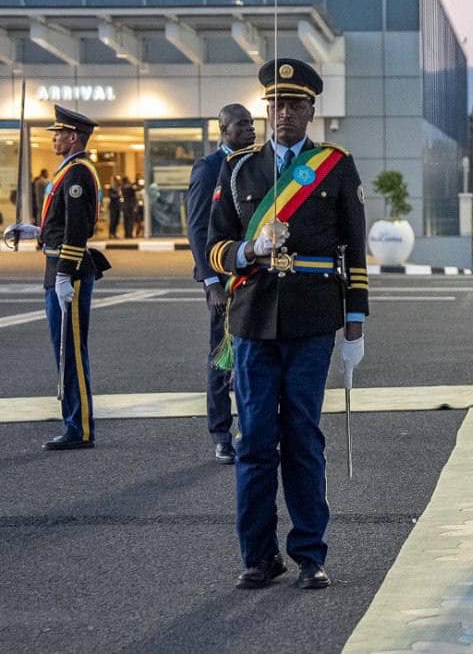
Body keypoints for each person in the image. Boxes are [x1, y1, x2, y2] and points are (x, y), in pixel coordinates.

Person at [207, 58, 368, 590]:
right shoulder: (239, 170)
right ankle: (258, 556)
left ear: (311, 111)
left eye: (295, 104)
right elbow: (214, 248)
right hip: (252, 320)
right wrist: (249, 249)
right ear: (265, 109)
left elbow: (354, 248)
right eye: (275, 104)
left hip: (311, 320)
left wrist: (356, 322)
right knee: (254, 440)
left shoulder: (335, 166)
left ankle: (309, 554)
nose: (284, 113)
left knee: (302, 436)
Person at [4, 106, 111, 449]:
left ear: (73, 137)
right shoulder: (69, 170)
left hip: (69, 273)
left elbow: (77, 228)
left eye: (59, 133)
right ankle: (73, 423)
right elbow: (62, 223)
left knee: (71, 354)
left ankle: (79, 429)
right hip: (57, 269)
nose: (54, 138)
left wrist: (64, 274)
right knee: (64, 351)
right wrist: (35, 231)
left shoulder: (78, 173)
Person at [187, 104, 256, 464]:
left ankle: (251, 428)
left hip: (250, 275)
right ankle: (220, 433)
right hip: (222, 280)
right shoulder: (209, 167)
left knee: (252, 355)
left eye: (252, 123)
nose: (251, 129)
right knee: (222, 356)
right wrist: (212, 282)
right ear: (223, 130)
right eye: (242, 124)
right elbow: (198, 228)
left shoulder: (255, 164)